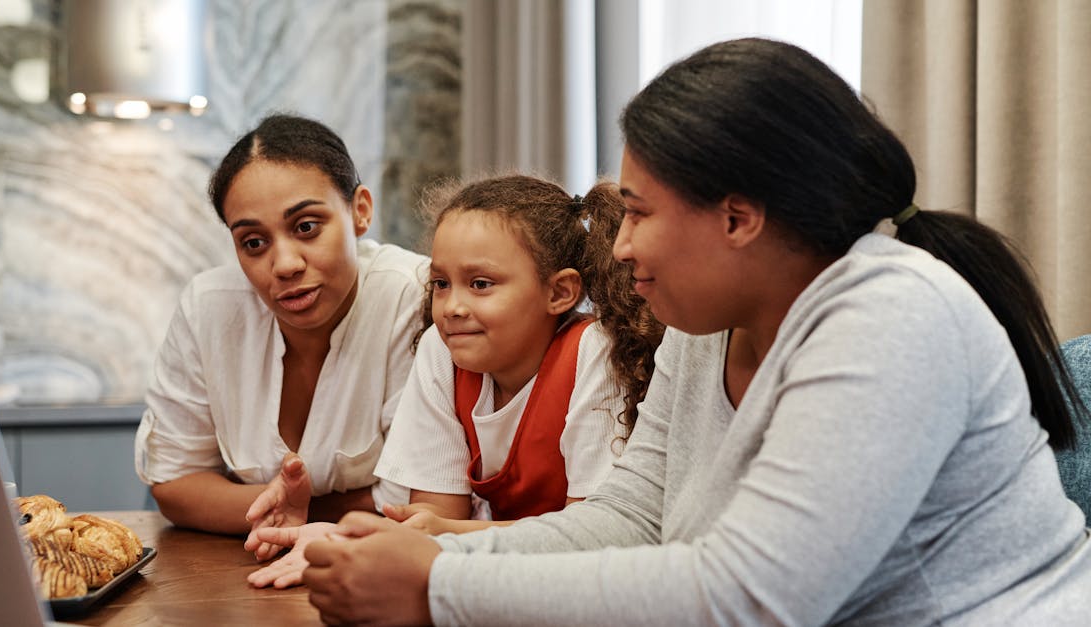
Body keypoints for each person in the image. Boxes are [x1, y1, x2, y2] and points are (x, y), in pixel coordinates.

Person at [284, 38, 1091, 625]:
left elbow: (748, 597)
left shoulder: (891, 318)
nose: (621, 243)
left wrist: (435, 589)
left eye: (637, 213)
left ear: (737, 217)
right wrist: (433, 556)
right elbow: (633, 519)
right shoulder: (707, 324)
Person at [246, 175, 664, 588]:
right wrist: (350, 539)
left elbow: (591, 540)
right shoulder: (441, 351)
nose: (452, 307)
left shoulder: (593, 351)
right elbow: (432, 517)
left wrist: (443, 536)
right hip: (498, 581)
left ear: (560, 292)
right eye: (442, 284)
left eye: (481, 284)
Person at [133, 114, 427, 561]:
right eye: (254, 242)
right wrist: (291, 511)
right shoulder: (209, 307)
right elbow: (175, 484)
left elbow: (415, 499)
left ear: (360, 210)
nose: (285, 264)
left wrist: (293, 510)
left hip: (378, 568)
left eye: (306, 227)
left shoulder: (413, 294)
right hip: (240, 572)